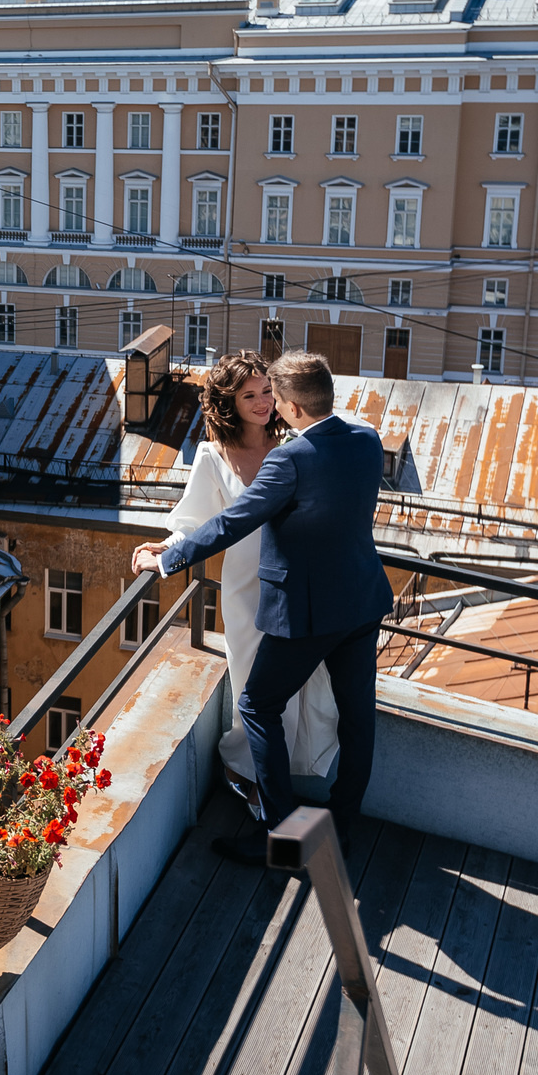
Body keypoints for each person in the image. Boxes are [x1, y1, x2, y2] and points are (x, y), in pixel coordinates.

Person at [131, 352, 390, 864]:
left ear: (291, 407)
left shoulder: (290, 458)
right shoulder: (366, 438)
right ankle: (341, 827)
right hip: (362, 601)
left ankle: (285, 840)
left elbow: (234, 522)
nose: (266, 403)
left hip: (306, 610)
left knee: (255, 705)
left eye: (272, 395)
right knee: (358, 718)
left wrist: (168, 560)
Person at [165, 353, 340, 824]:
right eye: (250, 396)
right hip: (246, 595)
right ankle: (249, 774)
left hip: (296, 590)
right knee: (254, 690)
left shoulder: (296, 444)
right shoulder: (212, 456)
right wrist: (162, 553)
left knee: (302, 687)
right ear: (229, 403)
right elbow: (194, 523)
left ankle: (279, 780)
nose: (264, 403)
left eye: (267, 391)